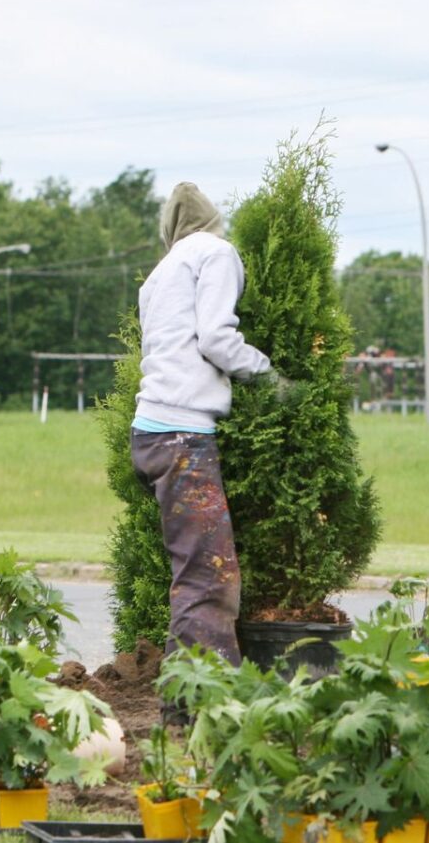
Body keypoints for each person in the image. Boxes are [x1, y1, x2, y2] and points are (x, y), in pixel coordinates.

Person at [131, 182, 272, 668]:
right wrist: (270, 374)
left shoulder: (158, 274)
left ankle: (187, 706)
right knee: (208, 580)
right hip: (182, 436)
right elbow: (216, 338)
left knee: (194, 573)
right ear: (212, 220)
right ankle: (198, 709)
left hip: (150, 433)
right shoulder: (216, 252)